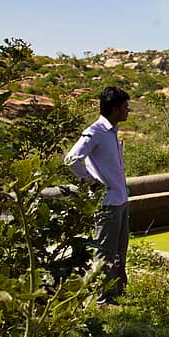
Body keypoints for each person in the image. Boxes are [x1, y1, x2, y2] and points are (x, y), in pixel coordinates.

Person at [65, 86, 131, 305]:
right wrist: (91, 181)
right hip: (108, 203)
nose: (127, 111)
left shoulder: (112, 132)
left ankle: (118, 293)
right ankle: (102, 299)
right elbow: (72, 159)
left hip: (120, 200)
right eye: (124, 107)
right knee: (105, 253)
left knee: (120, 251)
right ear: (114, 109)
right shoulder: (95, 132)